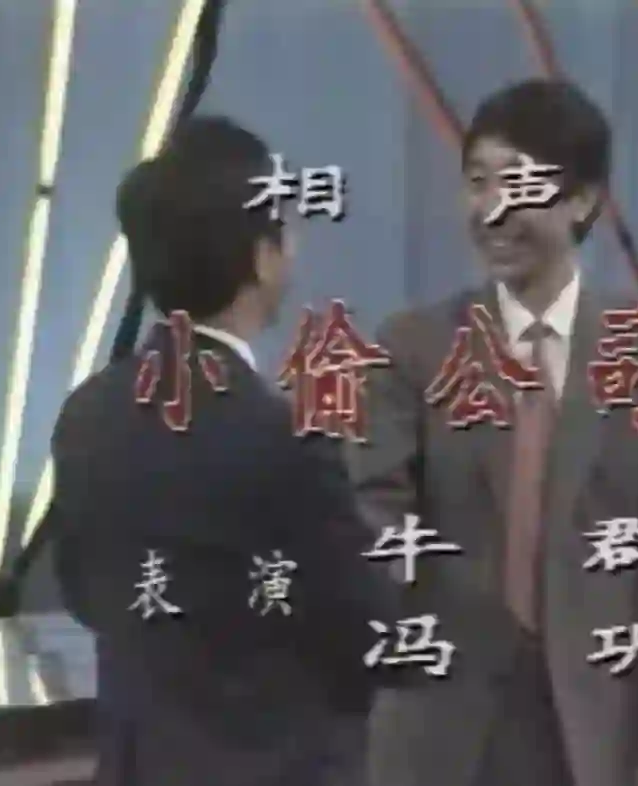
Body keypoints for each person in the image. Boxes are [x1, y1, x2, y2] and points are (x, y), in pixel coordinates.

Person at [348, 79, 638, 786]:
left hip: (595, 731)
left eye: (519, 185)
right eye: (478, 183)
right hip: (437, 730)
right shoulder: (412, 347)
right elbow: (372, 517)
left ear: (583, 201)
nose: (494, 210)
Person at [50, 116, 404, 786]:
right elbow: (368, 630)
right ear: (262, 257)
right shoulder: (281, 437)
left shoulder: (86, 417)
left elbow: (84, 590)